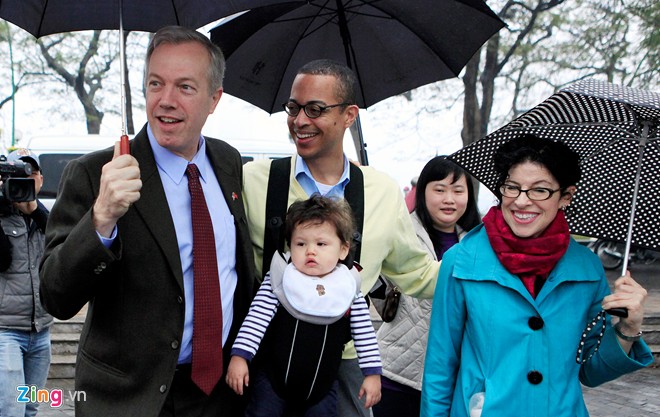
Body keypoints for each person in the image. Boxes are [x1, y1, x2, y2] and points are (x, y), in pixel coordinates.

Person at [39, 26, 256, 417]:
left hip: (219, 395)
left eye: (185, 87)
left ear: (214, 99)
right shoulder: (94, 174)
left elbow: (237, 271)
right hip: (128, 399)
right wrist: (101, 218)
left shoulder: (228, 162)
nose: (166, 101)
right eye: (156, 83)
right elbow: (56, 296)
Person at [242, 59, 439, 416]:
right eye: (293, 107)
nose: (300, 120)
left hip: (344, 365)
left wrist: (485, 261)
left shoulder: (381, 190)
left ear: (349, 116)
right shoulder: (253, 180)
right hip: (266, 365)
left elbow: (418, 272)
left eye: (315, 109)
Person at [421, 134, 653, 417]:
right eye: (512, 187)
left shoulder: (586, 269)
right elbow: (440, 365)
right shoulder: (463, 261)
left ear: (566, 196)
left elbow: (591, 370)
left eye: (539, 190)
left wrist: (627, 329)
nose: (521, 202)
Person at [227, 195, 381, 416]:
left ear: (343, 250)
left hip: (322, 388)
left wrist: (372, 374)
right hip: (273, 382)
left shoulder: (348, 287)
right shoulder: (280, 278)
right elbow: (256, 319)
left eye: (321, 244)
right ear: (290, 246)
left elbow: (364, 334)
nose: (310, 251)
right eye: (301, 244)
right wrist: (240, 357)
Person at [373, 156, 480, 417]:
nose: (449, 199)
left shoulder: (479, 242)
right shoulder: (401, 233)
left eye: (458, 191)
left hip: (452, 377)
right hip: (398, 372)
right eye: (439, 189)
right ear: (423, 192)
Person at [0, 149, 50, 417]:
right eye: (17, 175)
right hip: (5, 331)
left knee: (30, 408)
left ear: (40, 179)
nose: (25, 180)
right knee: (11, 410)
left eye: (30, 174)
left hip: (41, 331)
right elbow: (2, 260)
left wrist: (34, 210)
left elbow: (63, 246)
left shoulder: (45, 216)